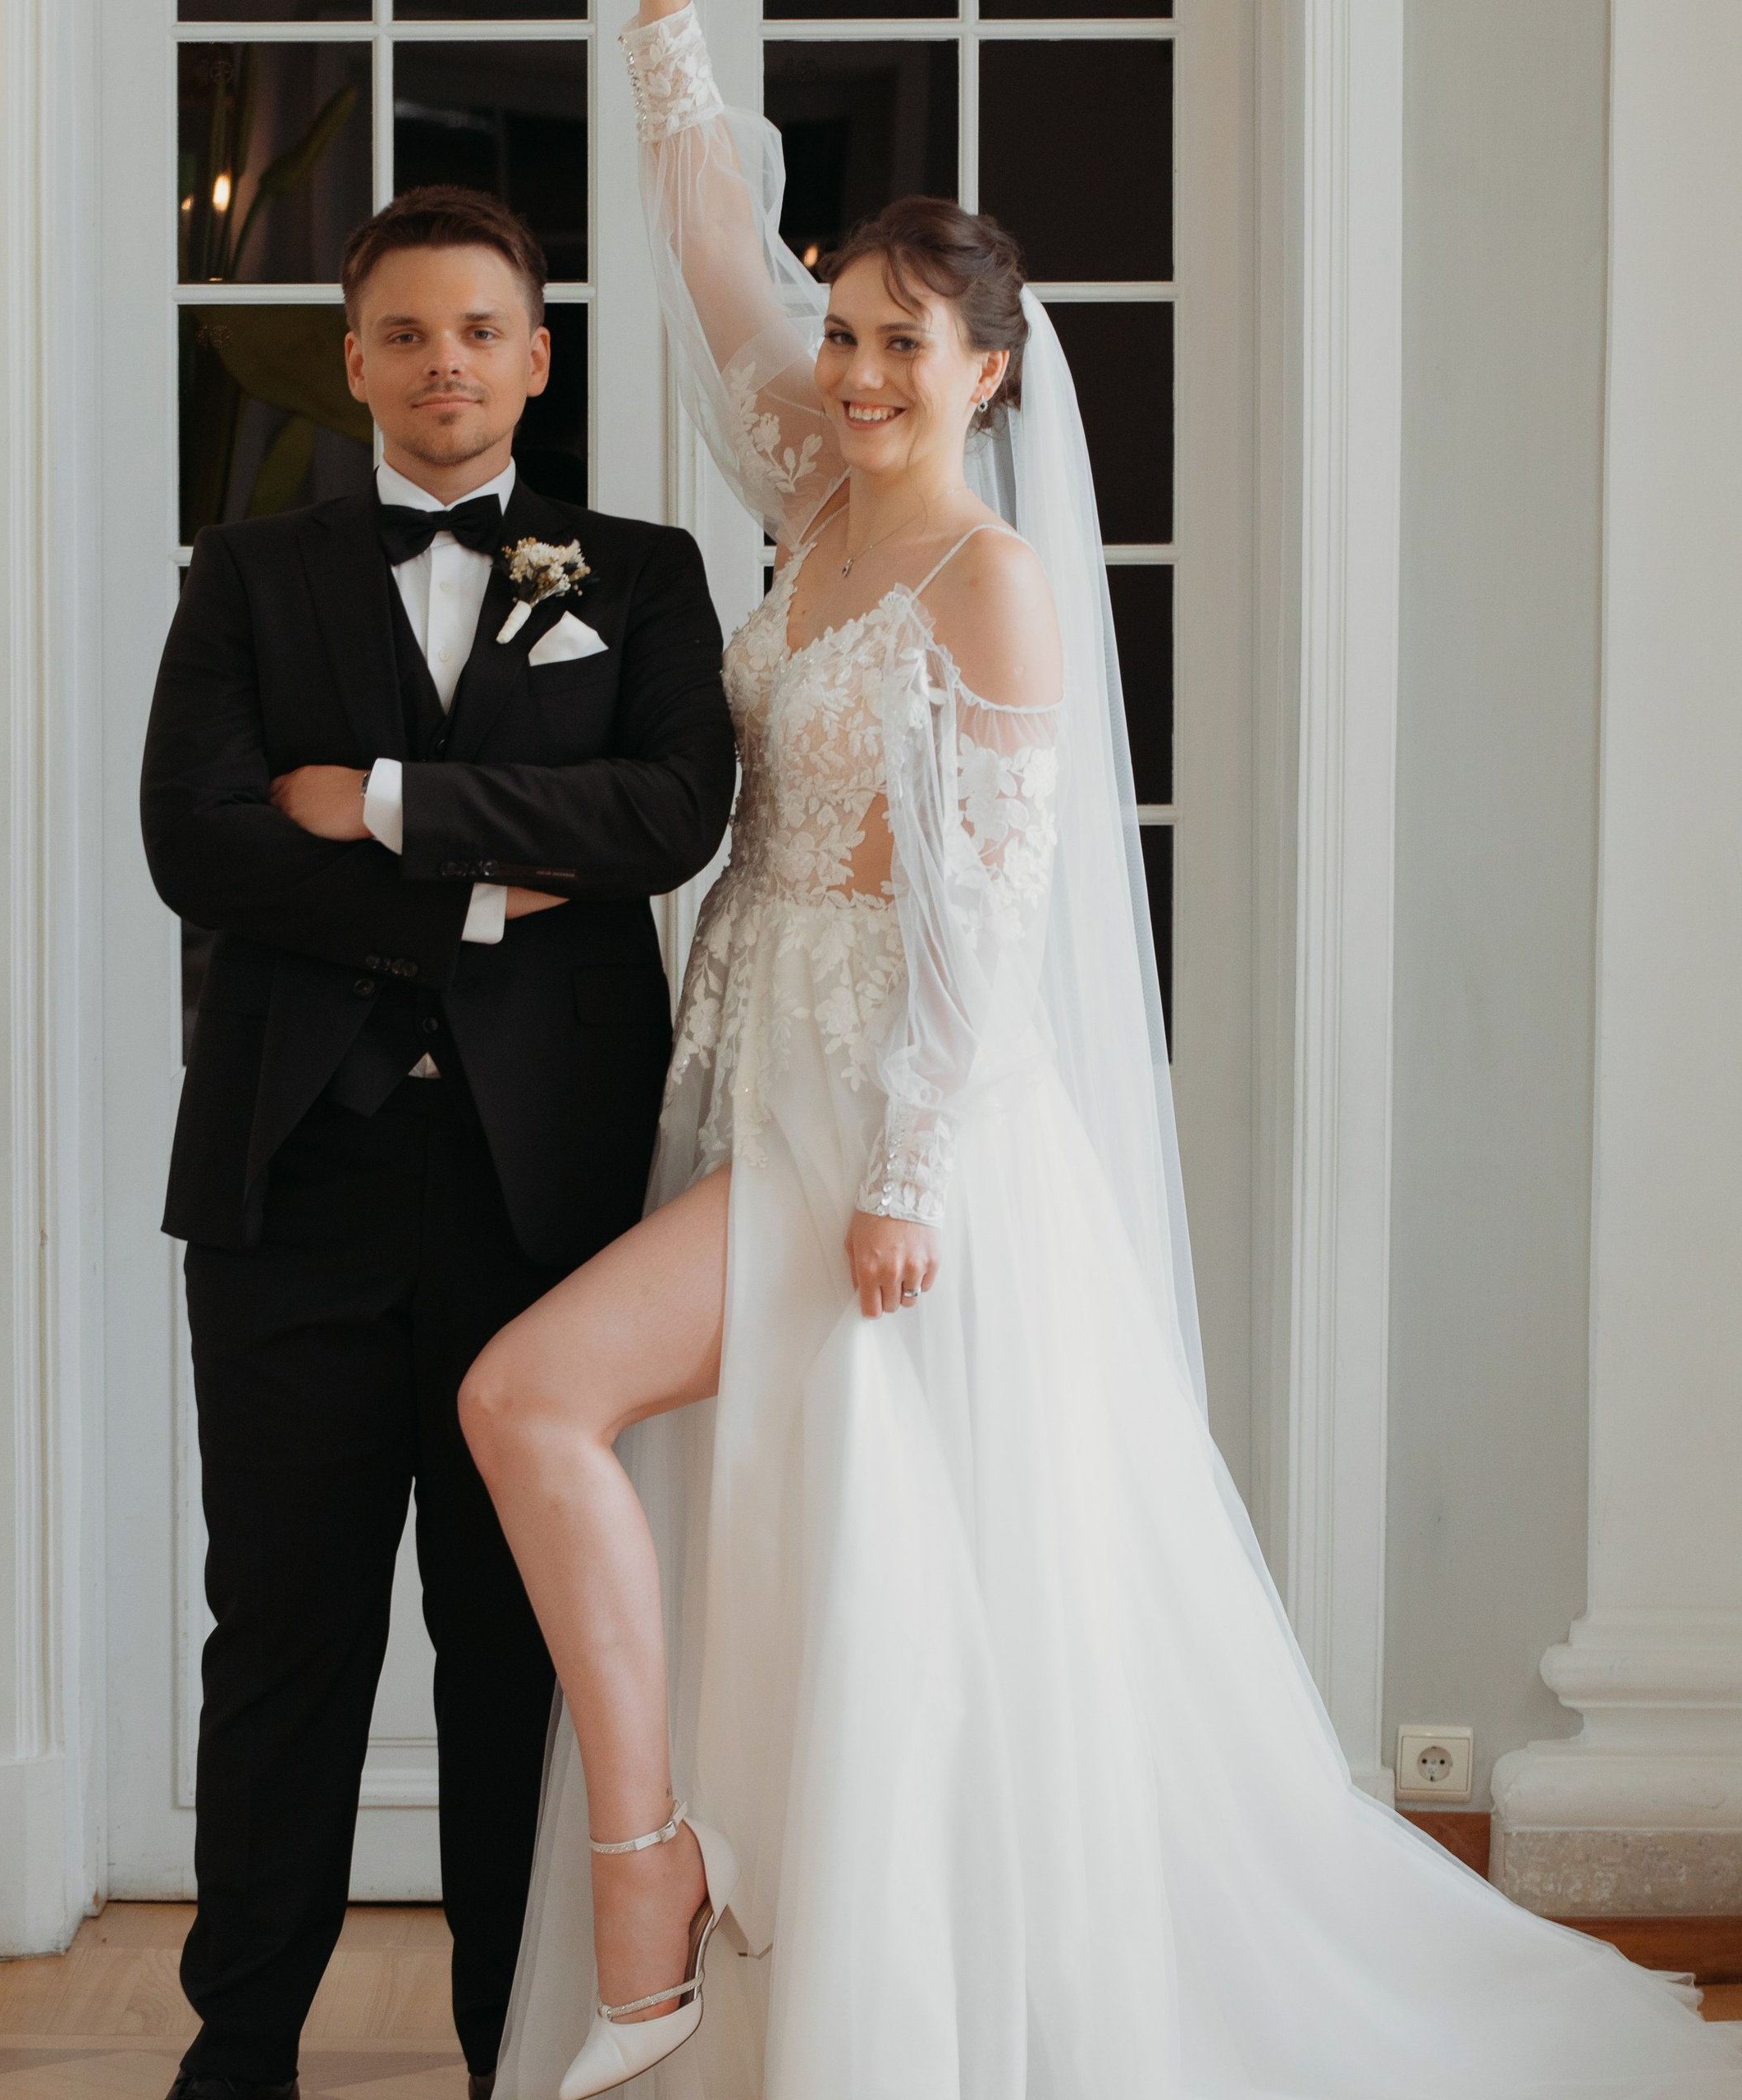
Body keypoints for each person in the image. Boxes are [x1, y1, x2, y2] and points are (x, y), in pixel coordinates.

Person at [454, 9, 1742, 2098]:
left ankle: (673, 1886)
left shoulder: (993, 583)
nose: (854, 372)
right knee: (802, 1541)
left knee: (545, 1398)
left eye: (902, 344)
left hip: (880, 1121)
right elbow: (710, 263)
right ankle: (770, 1977)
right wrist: (664, 45)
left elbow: (992, 909)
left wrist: (903, 1173)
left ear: (989, 371)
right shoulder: (812, 500)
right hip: (750, 1078)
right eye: (843, 333)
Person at [140, 184, 737, 2100]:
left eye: (478, 329)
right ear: (353, 361)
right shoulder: (249, 572)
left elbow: (668, 813)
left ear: (536, 356)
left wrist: (389, 804)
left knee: (513, 1651)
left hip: (541, 1198)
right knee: (281, 1632)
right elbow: (196, 841)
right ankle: (237, 2051)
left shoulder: (635, 575)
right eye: (402, 332)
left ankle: (510, 2049)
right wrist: (492, 892)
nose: (442, 363)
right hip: (288, 1183)